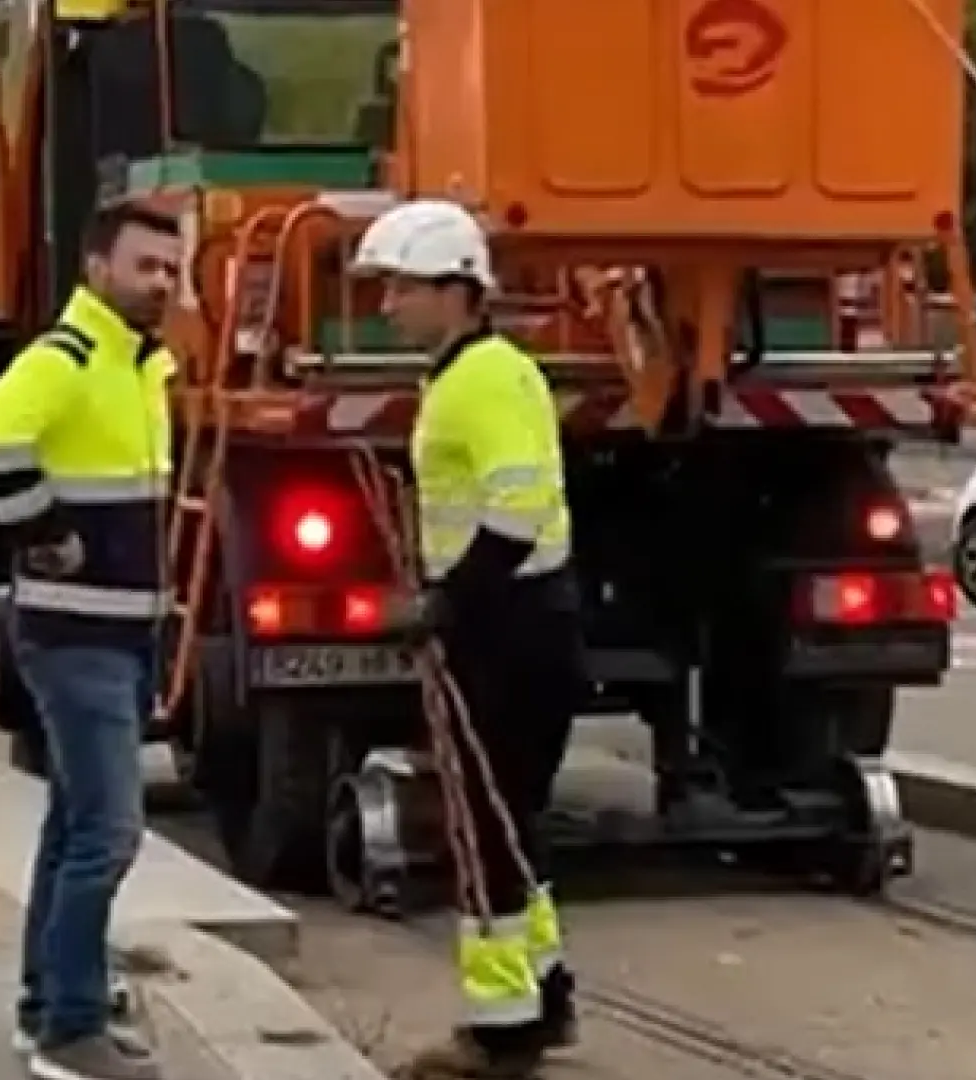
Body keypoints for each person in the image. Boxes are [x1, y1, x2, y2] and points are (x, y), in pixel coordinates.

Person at [351, 198, 584, 1065]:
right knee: (512, 821)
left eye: (401, 288)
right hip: (528, 619)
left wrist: (445, 604)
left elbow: (516, 509)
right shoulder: (484, 373)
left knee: (484, 829)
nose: (387, 307)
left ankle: (502, 1030)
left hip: (505, 627)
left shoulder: (479, 381)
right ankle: (545, 996)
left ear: (456, 291)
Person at [0, 199, 181, 1080]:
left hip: (119, 630)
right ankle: (71, 1029)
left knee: (73, 828)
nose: (162, 283)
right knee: (109, 834)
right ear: (97, 269)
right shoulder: (72, 356)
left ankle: (45, 1006)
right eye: (145, 266)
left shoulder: (139, 364)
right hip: (75, 632)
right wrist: (43, 531)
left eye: (172, 269)